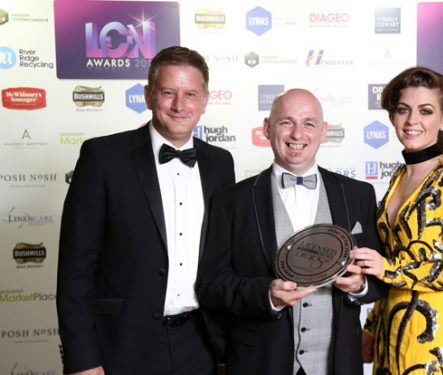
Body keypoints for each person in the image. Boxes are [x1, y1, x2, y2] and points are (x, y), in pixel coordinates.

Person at [56, 46, 235, 375]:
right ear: (149, 95)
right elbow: (74, 270)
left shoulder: (221, 163)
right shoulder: (103, 158)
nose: (180, 105)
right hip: (121, 344)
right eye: (168, 93)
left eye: (190, 94)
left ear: (206, 100)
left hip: (202, 344)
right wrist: (83, 359)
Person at [196, 88, 387, 375]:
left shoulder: (358, 195)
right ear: (266, 128)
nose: (297, 134)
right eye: (286, 122)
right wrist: (266, 296)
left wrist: (360, 286)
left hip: (337, 363)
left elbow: (380, 279)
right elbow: (211, 285)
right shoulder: (232, 201)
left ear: (323, 131)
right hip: (259, 363)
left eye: (309, 123)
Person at [352, 67, 443, 375]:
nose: (412, 121)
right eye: (403, 110)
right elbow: (389, 260)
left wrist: (391, 269)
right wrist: (371, 327)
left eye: (425, 111)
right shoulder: (400, 176)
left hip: (433, 339)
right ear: (392, 116)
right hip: (391, 329)